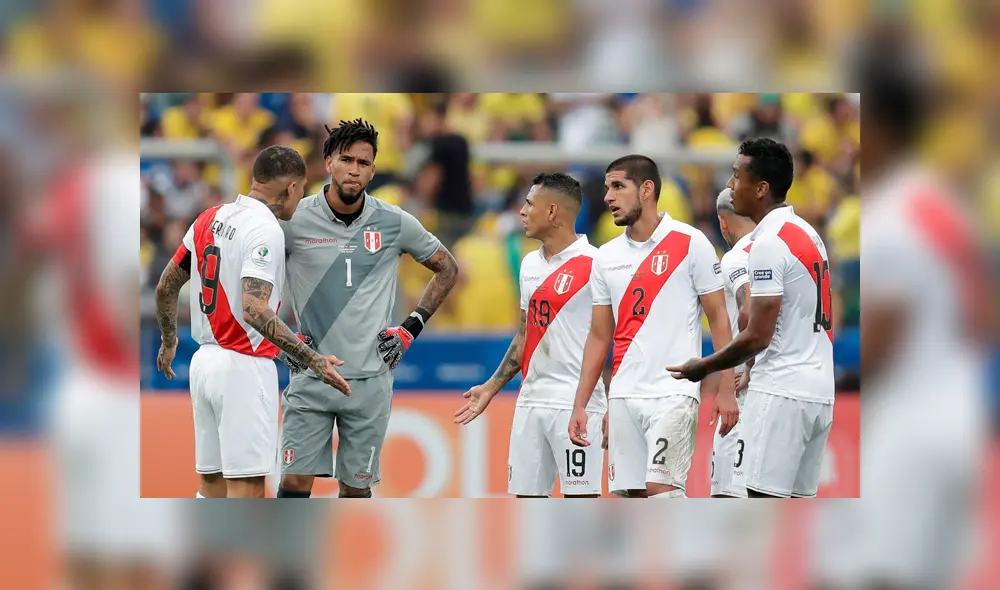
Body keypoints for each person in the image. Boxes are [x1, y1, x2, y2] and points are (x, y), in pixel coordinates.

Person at [276, 119, 459, 499]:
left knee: (357, 490)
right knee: (294, 483)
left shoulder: (393, 222)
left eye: (363, 163)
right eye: (346, 160)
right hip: (312, 373)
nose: (354, 170)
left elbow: (447, 268)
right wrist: (285, 340)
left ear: (373, 169)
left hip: (371, 380)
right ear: (328, 162)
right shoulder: (293, 221)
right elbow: (254, 276)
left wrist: (411, 326)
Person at [155, 145, 348, 499]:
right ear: (291, 188)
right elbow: (254, 309)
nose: (301, 197)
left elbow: (166, 287)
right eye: (302, 189)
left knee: (212, 485)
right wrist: (313, 361)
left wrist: (169, 341)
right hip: (243, 367)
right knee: (247, 489)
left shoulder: (209, 217)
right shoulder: (265, 230)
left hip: (203, 363)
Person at [667, 137, 835, 499]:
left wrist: (705, 366)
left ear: (761, 188)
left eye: (735, 176)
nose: (730, 185)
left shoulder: (768, 243)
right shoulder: (809, 234)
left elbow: (757, 333)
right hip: (820, 392)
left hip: (781, 392)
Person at [569, 154, 738, 498]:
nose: (608, 197)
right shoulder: (606, 257)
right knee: (628, 499)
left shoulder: (691, 243)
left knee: (662, 490)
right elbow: (600, 334)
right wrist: (582, 403)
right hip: (624, 397)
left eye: (618, 186)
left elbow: (719, 317)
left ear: (647, 189)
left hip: (673, 393)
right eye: (606, 188)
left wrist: (727, 386)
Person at [453, 172, 607, 498]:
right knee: (525, 505)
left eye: (528, 203)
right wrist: (491, 387)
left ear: (552, 212)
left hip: (576, 404)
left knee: (580, 508)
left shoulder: (599, 265)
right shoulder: (529, 265)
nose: (521, 211)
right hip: (530, 402)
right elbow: (525, 335)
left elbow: (617, 337)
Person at [710, 188, 757, 498]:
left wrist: (750, 367)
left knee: (729, 494)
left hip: (746, 391)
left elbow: (748, 308)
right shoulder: (786, 247)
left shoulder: (736, 257)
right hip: (786, 389)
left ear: (722, 222)